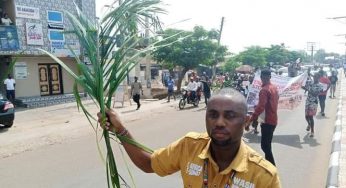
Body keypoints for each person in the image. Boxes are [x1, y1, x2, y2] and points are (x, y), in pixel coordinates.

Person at [97, 88, 281, 187]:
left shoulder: (263, 175)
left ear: (246, 121)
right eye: (213, 114)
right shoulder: (189, 146)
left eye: (230, 116)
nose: (219, 122)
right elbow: (149, 164)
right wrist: (120, 129)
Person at [246, 69, 279, 166]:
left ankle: (272, 167)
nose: (264, 79)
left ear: (262, 78)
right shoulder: (274, 88)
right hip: (273, 118)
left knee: (265, 146)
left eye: (264, 77)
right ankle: (270, 166)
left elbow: (261, 106)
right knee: (266, 145)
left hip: (268, 121)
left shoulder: (264, 90)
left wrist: (251, 119)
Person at [302, 73, 323, 137]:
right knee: (306, 116)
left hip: (314, 102)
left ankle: (312, 131)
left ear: (319, 78)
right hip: (308, 101)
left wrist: (308, 90)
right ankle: (309, 124)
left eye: (316, 77)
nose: (315, 78)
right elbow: (305, 87)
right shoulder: (310, 82)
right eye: (314, 77)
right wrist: (302, 87)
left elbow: (315, 94)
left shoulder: (320, 85)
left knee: (310, 117)